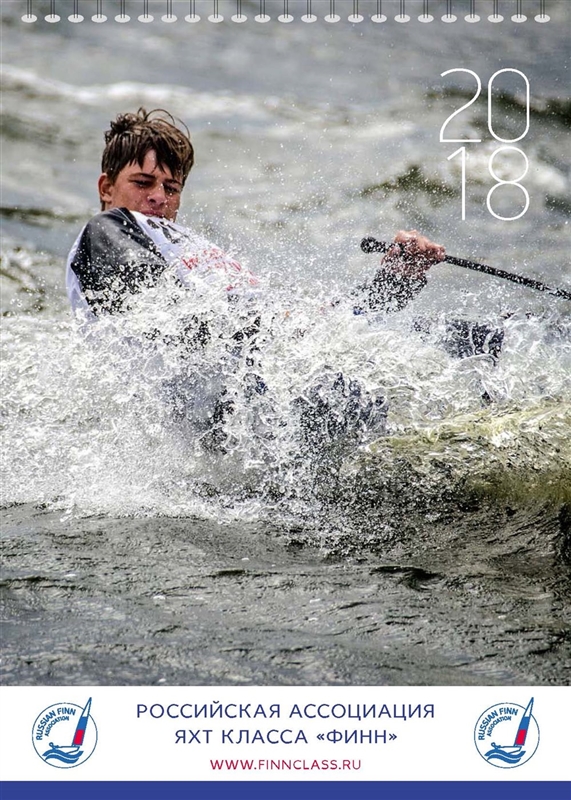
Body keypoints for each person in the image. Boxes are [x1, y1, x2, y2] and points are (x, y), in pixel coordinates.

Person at [65, 108, 498, 450]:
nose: (159, 197)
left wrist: (392, 282)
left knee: (473, 339)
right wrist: (279, 326)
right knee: (374, 389)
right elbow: (162, 311)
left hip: (279, 381)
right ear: (106, 187)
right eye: (143, 182)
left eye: (171, 188)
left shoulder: (190, 249)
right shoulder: (104, 231)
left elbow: (321, 324)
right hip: (231, 414)